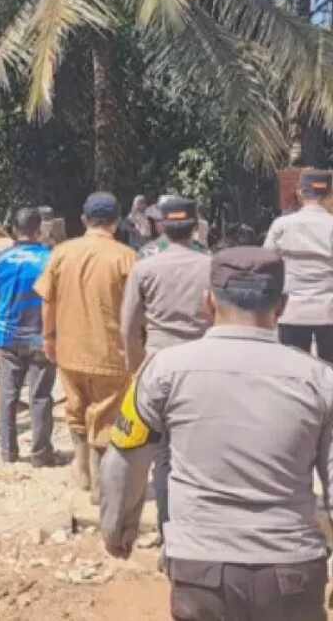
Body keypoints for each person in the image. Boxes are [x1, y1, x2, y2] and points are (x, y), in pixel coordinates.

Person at [101, 247, 332, 620]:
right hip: (291, 571)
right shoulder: (319, 380)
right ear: (282, 305)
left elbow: (125, 459)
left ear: (208, 302)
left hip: (201, 569)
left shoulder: (163, 370)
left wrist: (117, 528)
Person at [118, 197, 212, 558]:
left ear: (160, 225)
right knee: (202, 451)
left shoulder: (145, 266)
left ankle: (169, 537)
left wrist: (134, 365)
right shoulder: (211, 265)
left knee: (164, 456)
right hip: (203, 363)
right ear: (195, 226)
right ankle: (202, 532)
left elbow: (129, 326)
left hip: (158, 364)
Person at [34, 192, 136, 506]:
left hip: (69, 350)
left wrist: (49, 338)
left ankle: (81, 470)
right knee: (106, 417)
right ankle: (100, 486)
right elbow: (136, 311)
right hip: (110, 353)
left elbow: (47, 301)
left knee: (76, 410)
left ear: (83, 220)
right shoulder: (126, 257)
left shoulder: (61, 253)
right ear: (116, 222)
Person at [0, 207, 55, 466]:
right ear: (39, 230)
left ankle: (8, 452)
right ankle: (41, 454)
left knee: (8, 394)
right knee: (41, 396)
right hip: (41, 338)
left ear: (14, 229)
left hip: (7, 337)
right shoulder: (51, 259)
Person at [264, 169, 333, 362]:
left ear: (300, 192)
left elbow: (267, 263)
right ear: (329, 193)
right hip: (329, 311)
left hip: (291, 311)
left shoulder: (282, 225)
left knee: (294, 369)